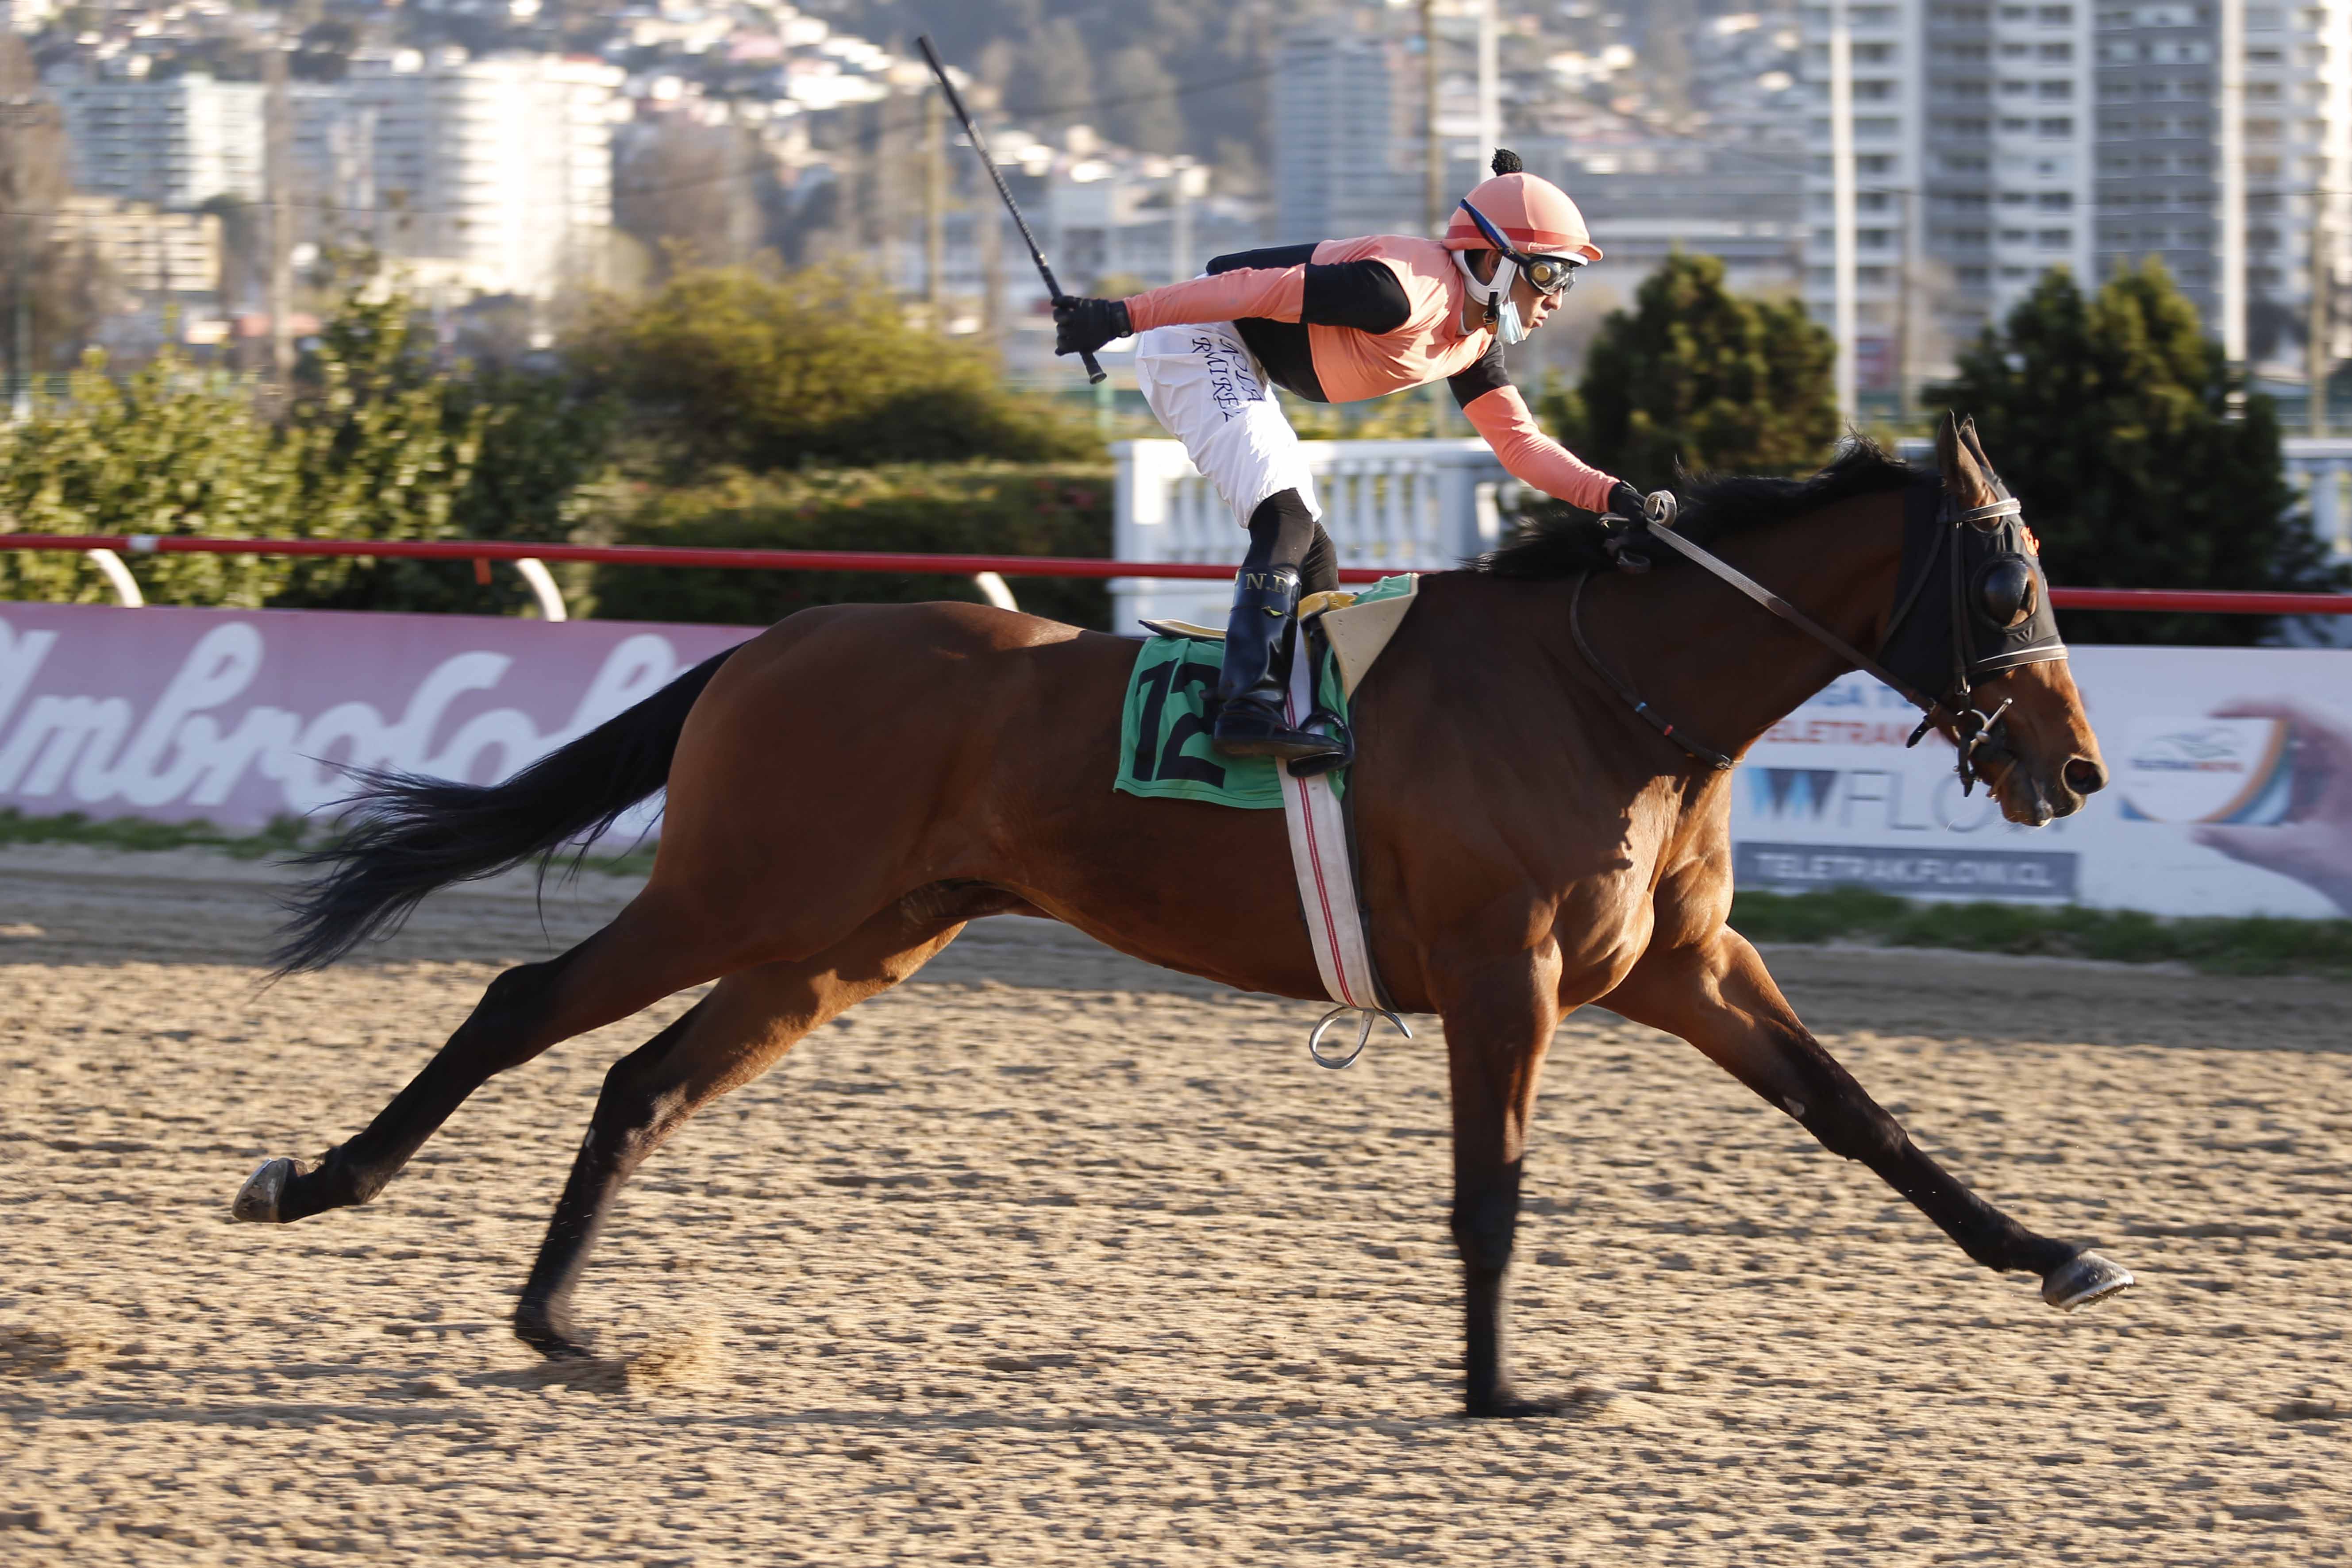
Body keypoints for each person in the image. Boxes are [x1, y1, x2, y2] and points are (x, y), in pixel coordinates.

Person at [1052, 150, 1647, 765]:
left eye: (1568, 280)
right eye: (1550, 275)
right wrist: (1120, 316)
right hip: (1199, 336)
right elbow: (1251, 286)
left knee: (1315, 554)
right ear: (1495, 261)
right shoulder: (1398, 292)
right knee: (1285, 519)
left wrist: (1612, 495)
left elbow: (1521, 445)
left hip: (1239, 353)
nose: (1557, 299)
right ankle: (1245, 705)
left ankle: (1314, 707)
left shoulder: (1474, 340)